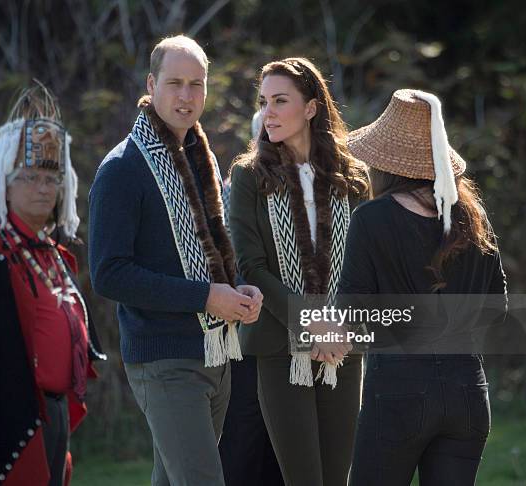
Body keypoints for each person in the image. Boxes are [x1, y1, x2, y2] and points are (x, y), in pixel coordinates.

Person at [89, 35, 262, 486]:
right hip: (165, 360)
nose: (186, 96)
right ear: (151, 83)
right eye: (175, 83)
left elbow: (214, 256)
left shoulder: (201, 161)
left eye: (196, 84)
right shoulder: (122, 168)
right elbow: (109, 274)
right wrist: (206, 297)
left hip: (216, 354)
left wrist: (238, 287)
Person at [0, 83, 106, 486]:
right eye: (30, 177)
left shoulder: (49, 251)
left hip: (50, 412)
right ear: (4, 184)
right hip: (6, 423)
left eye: (52, 177)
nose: (43, 188)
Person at [338, 89, 507, 485]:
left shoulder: (370, 219)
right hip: (468, 389)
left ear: (383, 162)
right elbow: (496, 309)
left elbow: (351, 311)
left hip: (397, 390)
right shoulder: (473, 215)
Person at [228, 58, 369, 486]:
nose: (268, 112)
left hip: (344, 347)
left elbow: (364, 264)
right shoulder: (248, 176)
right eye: (264, 101)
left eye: (280, 101)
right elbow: (251, 266)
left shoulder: (354, 175)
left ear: (310, 107)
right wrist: (312, 325)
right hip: (279, 347)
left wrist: (337, 327)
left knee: (336, 478)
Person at [219, 112, 284, 486]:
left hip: (291, 338)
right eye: (266, 131)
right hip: (246, 337)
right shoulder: (237, 188)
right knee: (243, 444)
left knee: (283, 453)